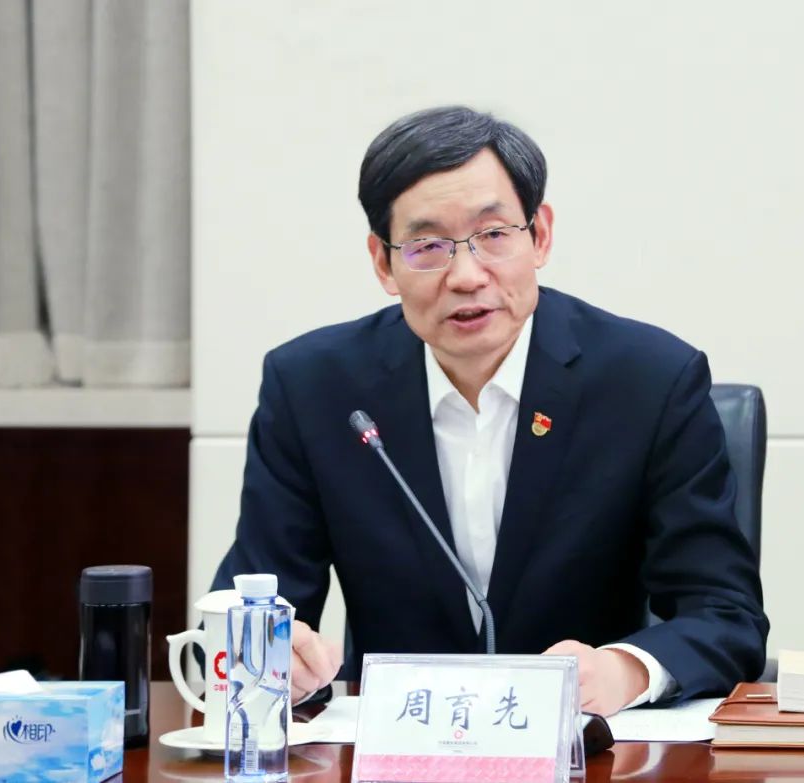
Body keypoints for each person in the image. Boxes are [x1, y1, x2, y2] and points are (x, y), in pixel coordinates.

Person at [210, 106, 769, 716]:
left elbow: (725, 615)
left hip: (590, 748)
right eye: (427, 246)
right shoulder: (314, 389)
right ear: (382, 262)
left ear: (541, 236)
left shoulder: (649, 381)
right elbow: (250, 599)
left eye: (494, 235)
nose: (467, 275)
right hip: (395, 744)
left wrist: (626, 669)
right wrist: (273, 655)